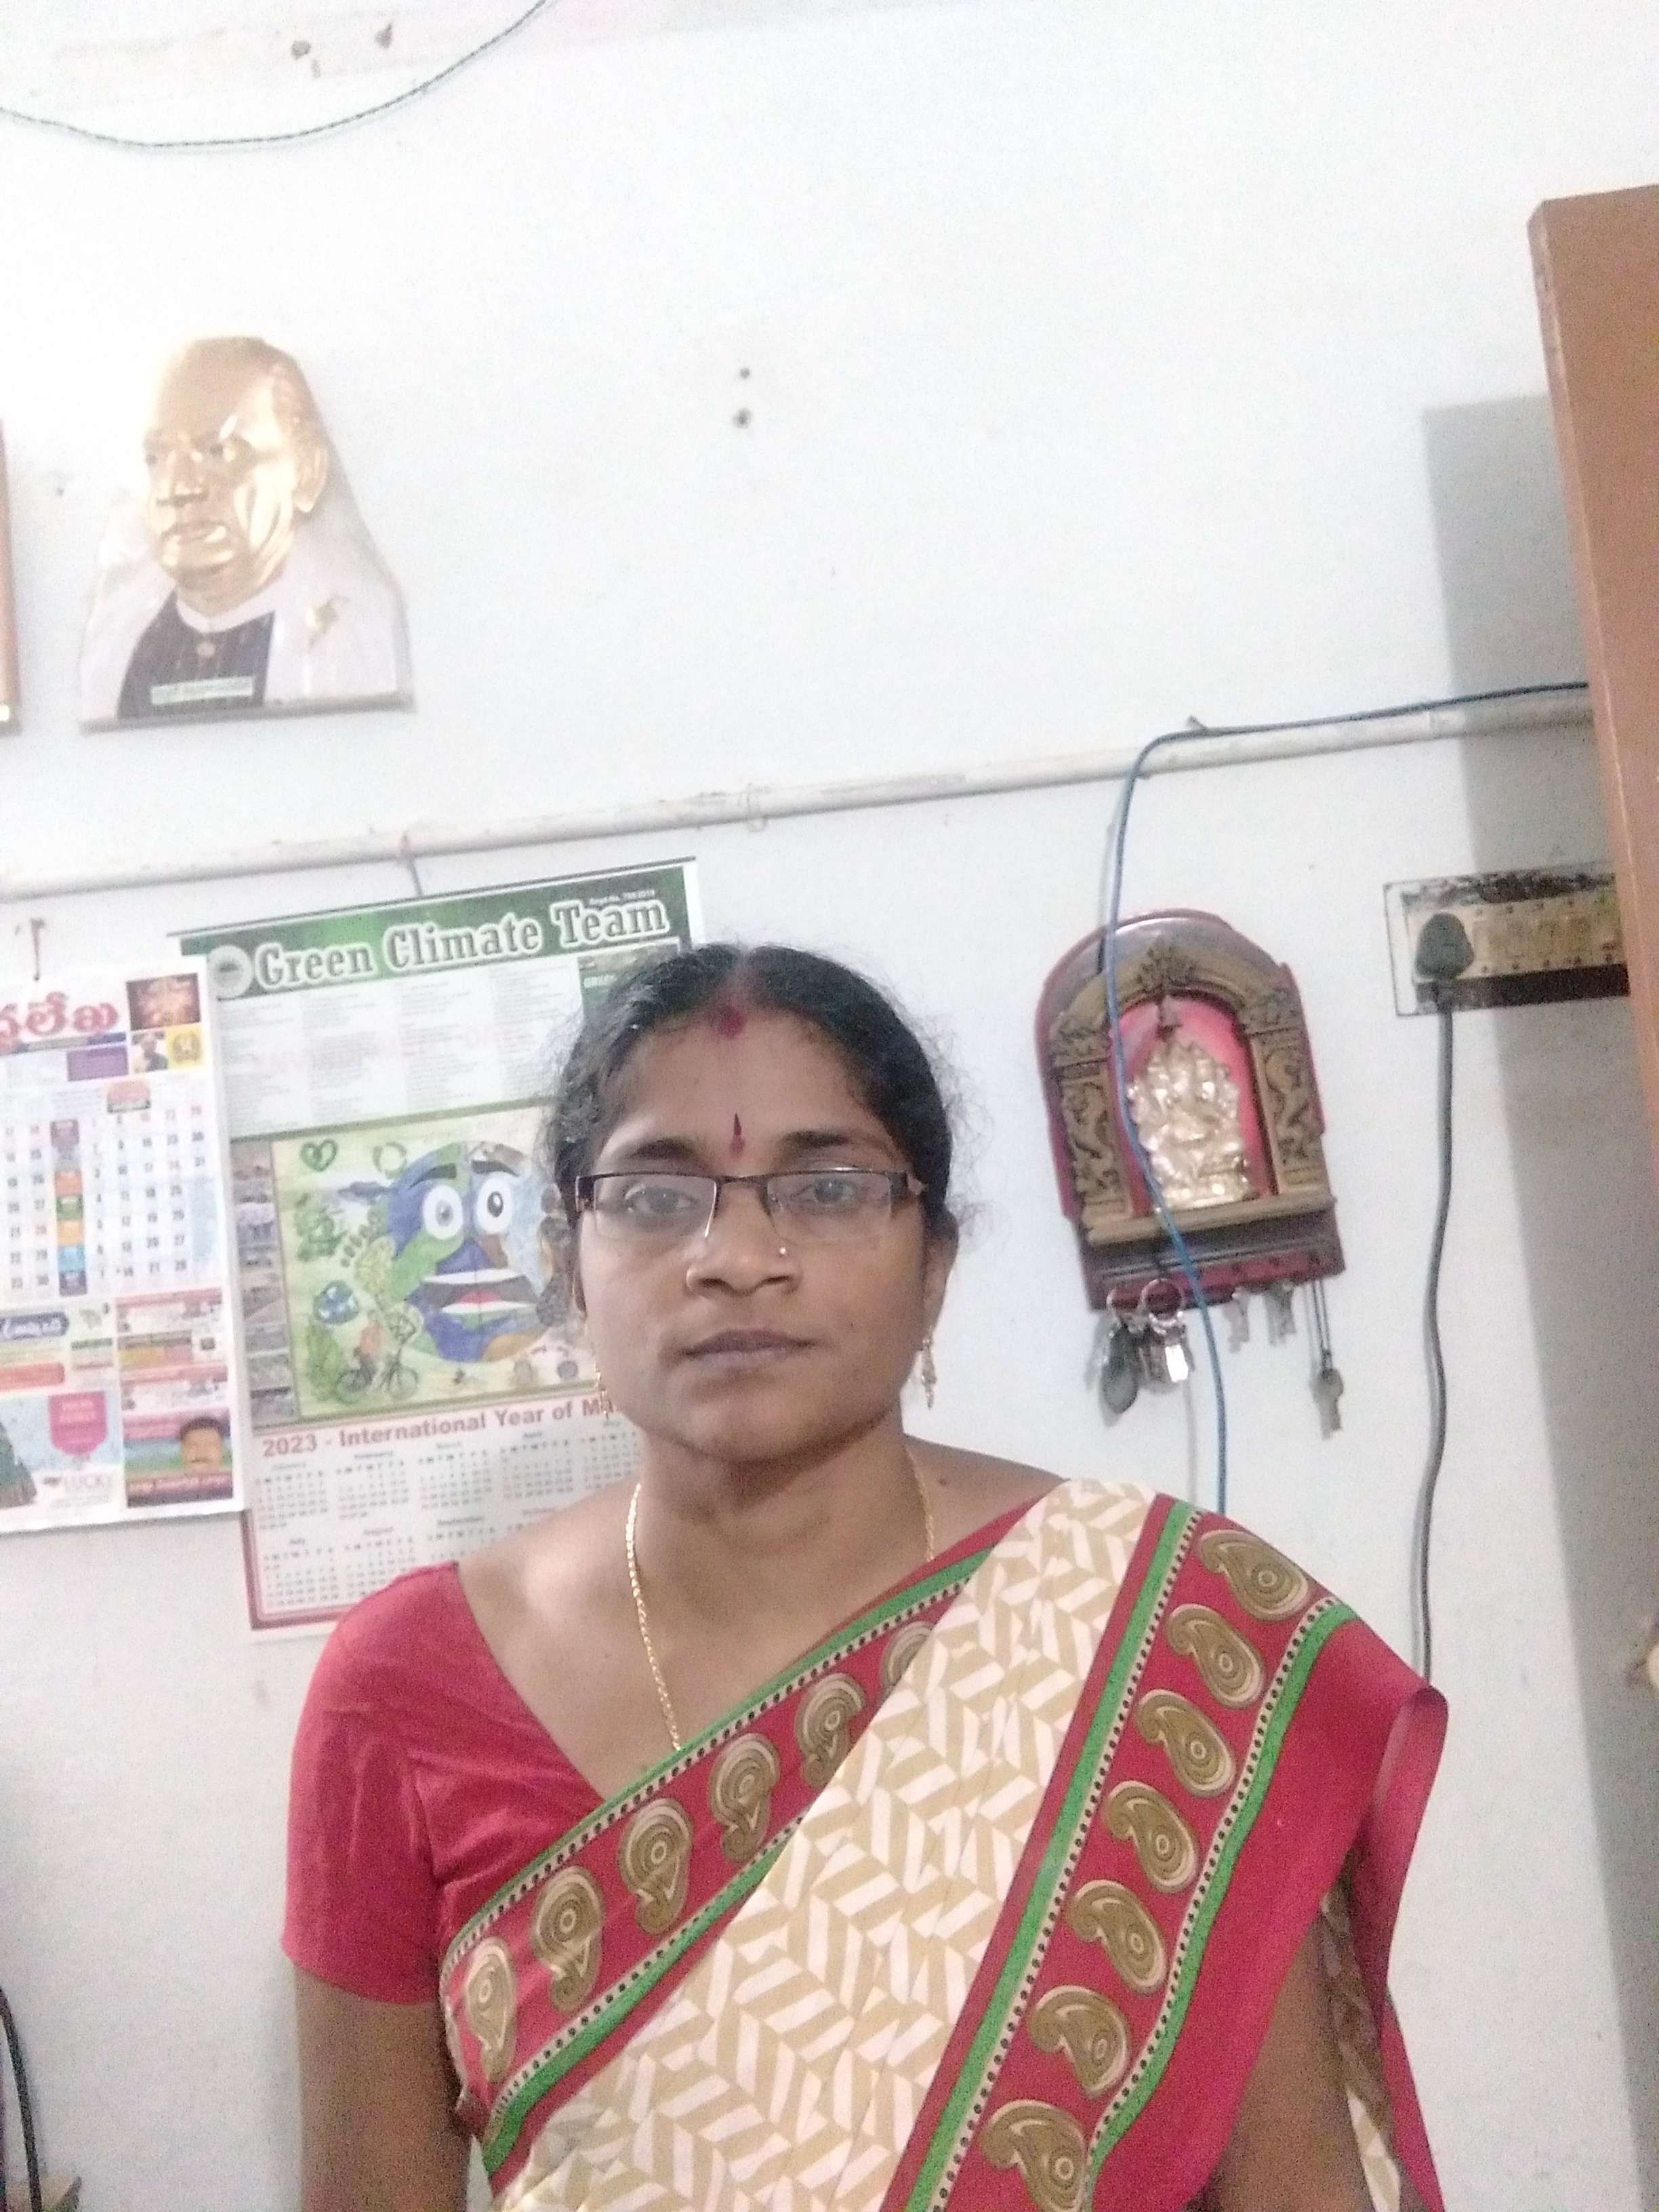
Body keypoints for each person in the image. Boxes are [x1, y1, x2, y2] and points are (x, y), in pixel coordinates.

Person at [286, 944, 1447, 2212]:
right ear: (571, 1264)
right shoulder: (404, 1687)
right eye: (658, 1195)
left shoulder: (1148, 1632)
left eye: (828, 1188)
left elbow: (1294, 2185)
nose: (737, 1255)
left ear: (933, 1266)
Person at [78, 335, 411, 727]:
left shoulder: (354, 635)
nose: (179, 489)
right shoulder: (117, 641)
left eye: (220, 452)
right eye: (157, 459)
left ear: (307, 469)